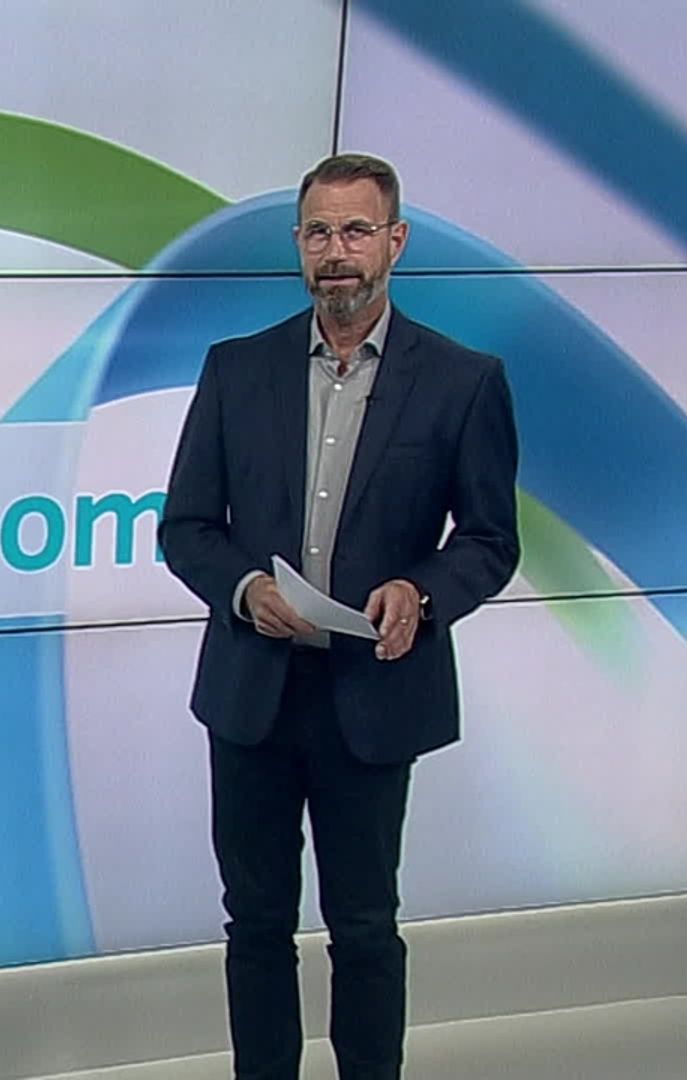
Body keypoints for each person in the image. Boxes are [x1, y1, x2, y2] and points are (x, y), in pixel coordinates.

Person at [157, 153, 520, 1080]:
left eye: (357, 231)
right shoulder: (237, 370)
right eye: (318, 232)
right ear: (298, 244)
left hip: (374, 693)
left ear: (396, 242)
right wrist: (247, 589)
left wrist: (422, 594)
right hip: (253, 695)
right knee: (255, 924)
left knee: (363, 924)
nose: (336, 252)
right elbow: (187, 528)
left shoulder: (463, 381)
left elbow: (489, 540)